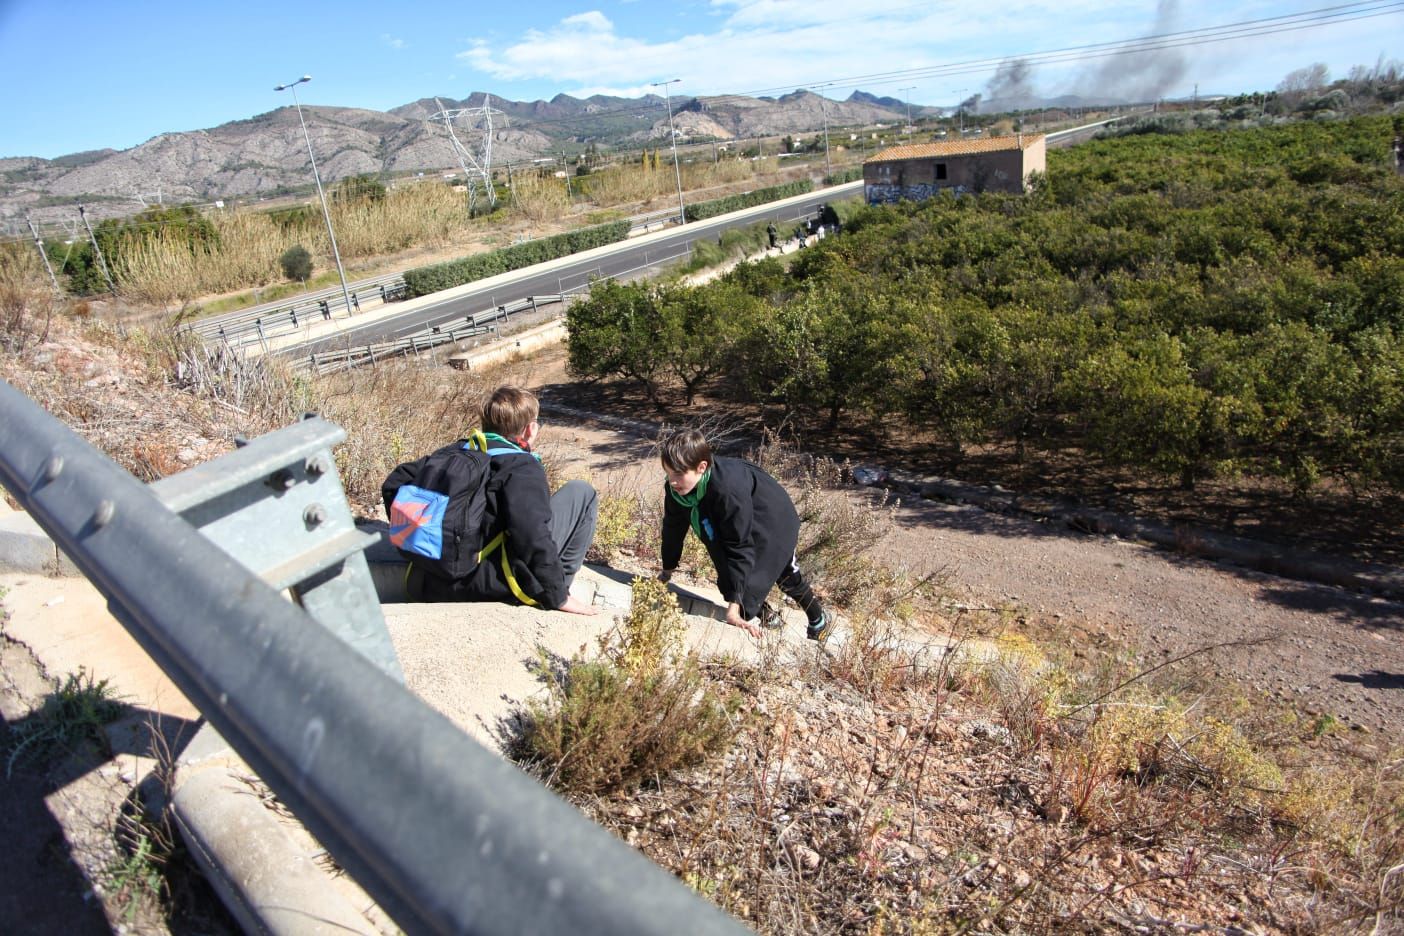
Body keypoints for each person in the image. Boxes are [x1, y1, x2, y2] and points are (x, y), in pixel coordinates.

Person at [411, 386, 598, 615]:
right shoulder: (521, 466)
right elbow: (531, 532)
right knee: (581, 492)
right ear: (530, 429)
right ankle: (559, 586)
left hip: (436, 581)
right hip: (492, 586)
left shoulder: (453, 452)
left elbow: (394, 482)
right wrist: (556, 595)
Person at [657, 429, 829, 640]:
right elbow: (673, 527)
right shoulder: (678, 489)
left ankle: (818, 618)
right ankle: (765, 614)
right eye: (668, 473)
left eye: (678, 474)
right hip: (738, 513)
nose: (672, 481)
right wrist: (667, 569)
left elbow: (739, 547)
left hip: (772, 518)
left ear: (701, 467)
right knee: (730, 576)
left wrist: (733, 610)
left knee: (784, 576)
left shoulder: (727, 488)